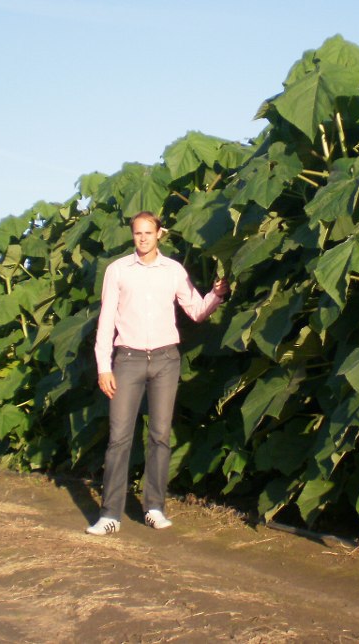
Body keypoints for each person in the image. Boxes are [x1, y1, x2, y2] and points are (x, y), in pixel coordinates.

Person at [86, 210, 229, 534]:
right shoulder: (118, 271)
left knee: (160, 436)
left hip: (165, 359)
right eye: (138, 233)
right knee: (119, 437)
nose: (143, 238)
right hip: (128, 359)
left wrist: (217, 295)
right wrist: (103, 367)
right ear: (133, 235)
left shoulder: (173, 271)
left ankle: (154, 507)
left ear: (159, 234)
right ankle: (110, 515)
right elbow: (106, 321)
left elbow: (195, 311)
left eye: (148, 233)